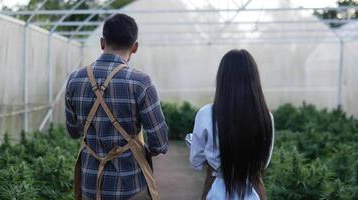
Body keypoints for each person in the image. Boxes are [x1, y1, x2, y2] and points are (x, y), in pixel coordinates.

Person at [65, 13, 169, 200]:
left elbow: (73, 132)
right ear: (135, 47)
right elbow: (159, 143)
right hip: (130, 185)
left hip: (89, 184)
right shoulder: (141, 82)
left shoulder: (74, 79)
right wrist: (137, 148)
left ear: (102, 43)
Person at [189, 49, 274, 200]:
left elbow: (196, 161)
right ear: (254, 80)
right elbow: (263, 163)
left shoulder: (206, 114)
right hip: (254, 192)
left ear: (222, 78)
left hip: (215, 191)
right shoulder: (266, 116)